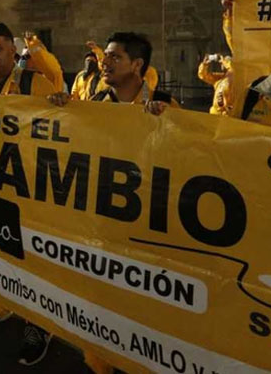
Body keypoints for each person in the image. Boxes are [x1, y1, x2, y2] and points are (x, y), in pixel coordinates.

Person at [47, 33, 174, 374]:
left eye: (115, 57)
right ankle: (99, 360)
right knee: (98, 293)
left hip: (142, 221)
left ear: (138, 65)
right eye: (106, 57)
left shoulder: (166, 104)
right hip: (98, 217)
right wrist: (60, 110)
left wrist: (164, 125)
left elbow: (181, 158)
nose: (105, 63)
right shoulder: (92, 103)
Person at [0, 22, 57, 366]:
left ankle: (40, 324)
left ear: (12, 51)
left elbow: (68, 129)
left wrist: (62, 105)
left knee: (33, 257)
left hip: (30, 189)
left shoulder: (36, 85)